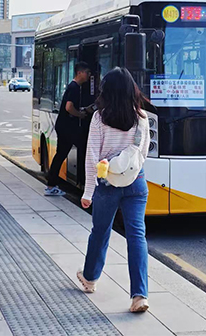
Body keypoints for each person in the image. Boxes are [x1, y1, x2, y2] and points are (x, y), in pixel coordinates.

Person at [77, 67, 151, 313]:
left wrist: (88, 192)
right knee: (137, 236)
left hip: (107, 184)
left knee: (100, 232)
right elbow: (142, 154)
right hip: (136, 182)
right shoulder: (142, 118)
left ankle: (90, 279)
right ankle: (139, 295)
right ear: (132, 89)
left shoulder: (99, 118)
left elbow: (91, 156)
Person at [45, 62, 91, 196]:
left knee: (61, 155)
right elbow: (69, 107)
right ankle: (52, 185)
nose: (89, 75)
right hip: (67, 128)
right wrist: (80, 114)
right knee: (84, 148)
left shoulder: (74, 87)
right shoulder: (75, 88)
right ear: (80, 73)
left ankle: (51, 184)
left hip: (65, 126)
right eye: (87, 72)